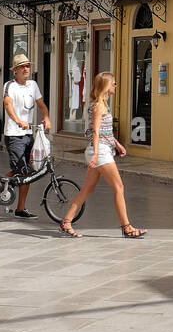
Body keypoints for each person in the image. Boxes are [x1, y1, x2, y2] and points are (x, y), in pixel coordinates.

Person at [60, 72, 146, 239]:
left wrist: (118, 144)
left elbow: (105, 131)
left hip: (100, 150)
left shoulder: (101, 105)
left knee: (87, 189)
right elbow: (96, 131)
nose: (115, 86)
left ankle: (66, 222)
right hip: (100, 152)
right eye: (113, 83)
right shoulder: (99, 106)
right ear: (106, 86)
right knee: (119, 188)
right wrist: (96, 154)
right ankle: (126, 227)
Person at [1, 54, 51, 218]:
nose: (25, 69)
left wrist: (47, 118)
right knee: (21, 171)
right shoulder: (9, 85)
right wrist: (18, 121)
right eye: (22, 66)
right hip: (14, 134)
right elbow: (8, 105)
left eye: (27, 66)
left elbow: (41, 105)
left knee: (27, 172)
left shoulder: (33, 85)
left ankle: (20, 208)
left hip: (28, 135)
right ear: (15, 70)